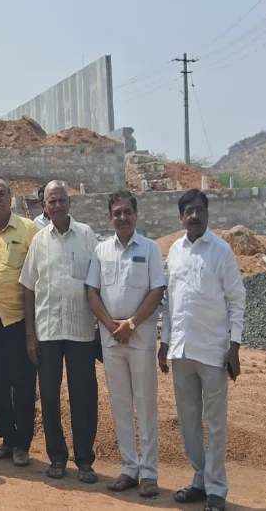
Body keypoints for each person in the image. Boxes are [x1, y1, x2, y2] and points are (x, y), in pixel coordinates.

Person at [160, 189, 245, 511]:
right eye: (188, 211)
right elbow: (169, 304)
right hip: (181, 350)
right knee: (188, 420)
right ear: (181, 217)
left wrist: (234, 347)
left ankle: (217, 489)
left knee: (216, 421)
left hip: (213, 350)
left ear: (206, 213)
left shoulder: (221, 251)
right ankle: (199, 478)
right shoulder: (175, 253)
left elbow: (237, 300)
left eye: (199, 209)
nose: (193, 215)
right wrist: (164, 342)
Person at [86, 189, 167, 498]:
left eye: (126, 212)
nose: (122, 217)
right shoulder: (101, 250)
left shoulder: (149, 249)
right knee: (120, 405)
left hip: (140, 338)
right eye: (116, 213)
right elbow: (92, 292)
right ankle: (128, 469)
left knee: (145, 405)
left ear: (136, 215)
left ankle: (149, 474)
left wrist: (131, 324)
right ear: (110, 218)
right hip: (110, 339)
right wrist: (110, 325)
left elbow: (157, 291)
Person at [19, 180, 99, 483]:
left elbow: (97, 282)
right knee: (50, 397)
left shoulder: (87, 236)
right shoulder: (39, 241)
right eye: (51, 201)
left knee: (83, 396)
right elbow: (28, 288)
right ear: (45, 205)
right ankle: (57, 457)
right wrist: (30, 333)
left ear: (70, 202)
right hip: (48, 332)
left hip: (80, 331)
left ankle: (85, 460)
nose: (57, 205)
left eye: (61, 200)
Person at [0, 178, 38, 467]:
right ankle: (6, 439)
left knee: (22, 384)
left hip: (17, 319)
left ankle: (22, 444)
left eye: (2, 193)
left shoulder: (29, 230)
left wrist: (32, 330)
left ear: (11, 197)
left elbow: (36, 276)